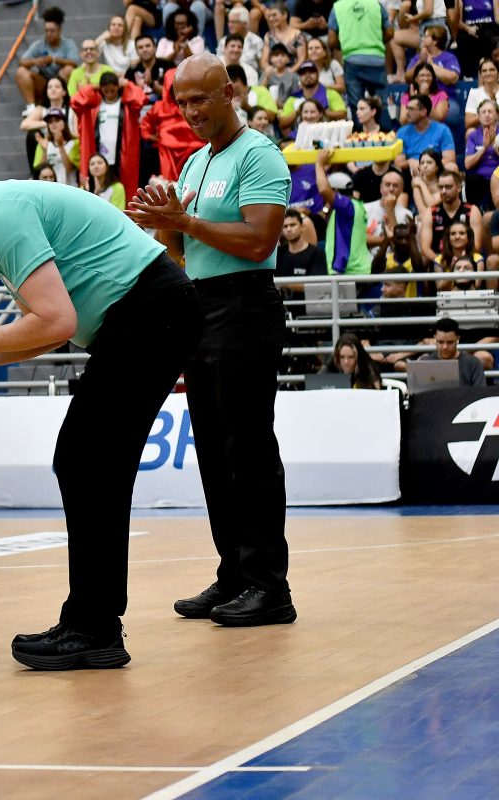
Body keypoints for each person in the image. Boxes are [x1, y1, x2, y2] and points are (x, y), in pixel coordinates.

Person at [0, 152, 203, 670]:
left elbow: (57, 321)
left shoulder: (0, 217)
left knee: (84, 461)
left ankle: (93, 626)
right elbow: (46, 331)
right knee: (87, 463)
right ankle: (92, 622)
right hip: (150, 313)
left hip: (150, 312)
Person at [126, 54, 296, 627]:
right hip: (200, 308)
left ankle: (269, 586)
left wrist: (187, 222)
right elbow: (182, 252)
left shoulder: (259, 154)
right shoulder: (195, 163)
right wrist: (163, 223)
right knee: (216, 456)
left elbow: (260, 239)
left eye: (200, 98)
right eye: (182, 102)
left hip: (246, 305)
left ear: (229, 93)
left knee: (248, 451)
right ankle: (235, 575)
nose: (191, 111)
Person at [328, 0, 392, 128]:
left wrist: (346, 47)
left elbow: (332, 40)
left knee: (357, 104)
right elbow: (390, 32)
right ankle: (387, 135)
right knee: (381, 103)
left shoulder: (338, 7)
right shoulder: (376, 4)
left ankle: (359, 137)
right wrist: (377, 42)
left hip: (352, 61)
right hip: (376, 59)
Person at [14, 5, 79, 118]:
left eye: (52, 31)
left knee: (69, 69)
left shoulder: (68, 44)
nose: (49, 34)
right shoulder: (39, 44)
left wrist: (54, 60)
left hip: (61, 82)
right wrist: (35, 61)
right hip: (43, 84)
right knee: (21, 71)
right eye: (46, 31)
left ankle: (65, 104)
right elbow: (22, 61)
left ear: (59, 30)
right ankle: (31, 107)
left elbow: (74, 63)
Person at [418, 317, 487, 385]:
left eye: (450, 342)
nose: (445, 347)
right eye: (440, 342)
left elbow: (480, 390)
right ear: (434, 339)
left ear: (458, 339)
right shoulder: (424, 363)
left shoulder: (473, 363)